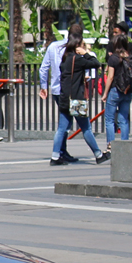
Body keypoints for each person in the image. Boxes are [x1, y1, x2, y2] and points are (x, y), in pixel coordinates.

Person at [51, 29, 108, 166]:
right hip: (76, 99)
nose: (84, 47)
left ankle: (55, 156)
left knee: (62, 128)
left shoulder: (65, 60)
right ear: (77, 45)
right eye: (82, 44)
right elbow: (96, 63)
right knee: (86, 128)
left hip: (65, 97)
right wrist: (86, 54)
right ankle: (98, 155)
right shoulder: (78, 60)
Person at [39, 24, 83, 163]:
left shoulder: (53, 46)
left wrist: (43, 86)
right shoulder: (75, 47)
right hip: (73, 91)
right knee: (74, 124)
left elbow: (43, 68)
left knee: (66, 121)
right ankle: (98, 153)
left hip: (57, 90)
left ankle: (61, 152)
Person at [100, 34, 132, 157]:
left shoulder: (114, 58)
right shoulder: (130, 57)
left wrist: (105, 93)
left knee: (110, 119)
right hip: (127, 91)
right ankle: (124, 144)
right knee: (123, 119)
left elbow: (110, 77)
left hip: (116, 90)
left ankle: (111, 145)